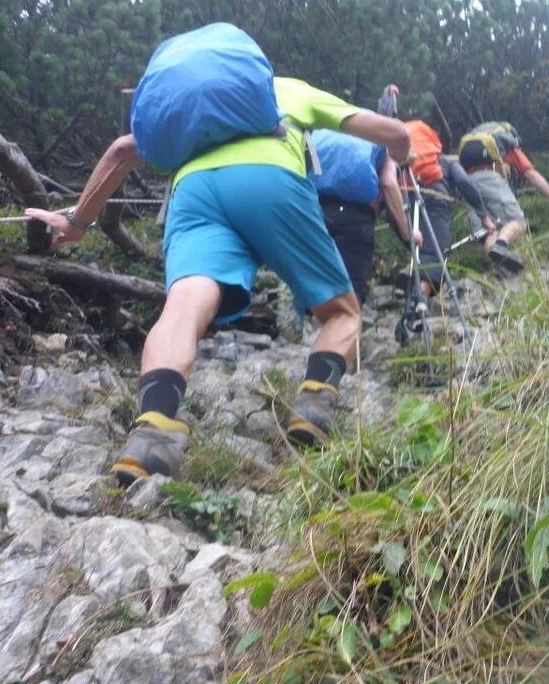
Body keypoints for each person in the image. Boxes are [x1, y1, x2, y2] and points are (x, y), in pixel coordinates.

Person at [26, 76, 411, 485]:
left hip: (194, 192)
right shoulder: (290, 90)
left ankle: (152, 429)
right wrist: (400, 155)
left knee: (184, 309)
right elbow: (394, 133)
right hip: (271, 180)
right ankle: (314, 402)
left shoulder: (201, 103)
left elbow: (122, 150)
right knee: (342, 311)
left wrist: (78, 221)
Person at [380, 104, 497, 296]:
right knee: (434, 256)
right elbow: (465, 183)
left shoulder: (396, 163)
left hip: (397, 201)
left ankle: (412, 275)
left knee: (419, 247)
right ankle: (418, 301)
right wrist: (484, 216)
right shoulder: (443, 162)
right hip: (433, 199)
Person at [310, 126, 414, 305]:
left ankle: (312, 329)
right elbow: (389, 184)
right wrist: (407, 233)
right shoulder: (380, 143)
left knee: (315, 297)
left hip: (315, 214)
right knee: (350, 300)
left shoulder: (323, 138)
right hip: (357, 219)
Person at [455, 121, 549, 272]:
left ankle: (500, 268)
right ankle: (502, 245)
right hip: (490, 179)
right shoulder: (508, 147)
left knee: (490, 230)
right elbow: (530, 174)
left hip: (468, 184)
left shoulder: (472, 149)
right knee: (518, 222)